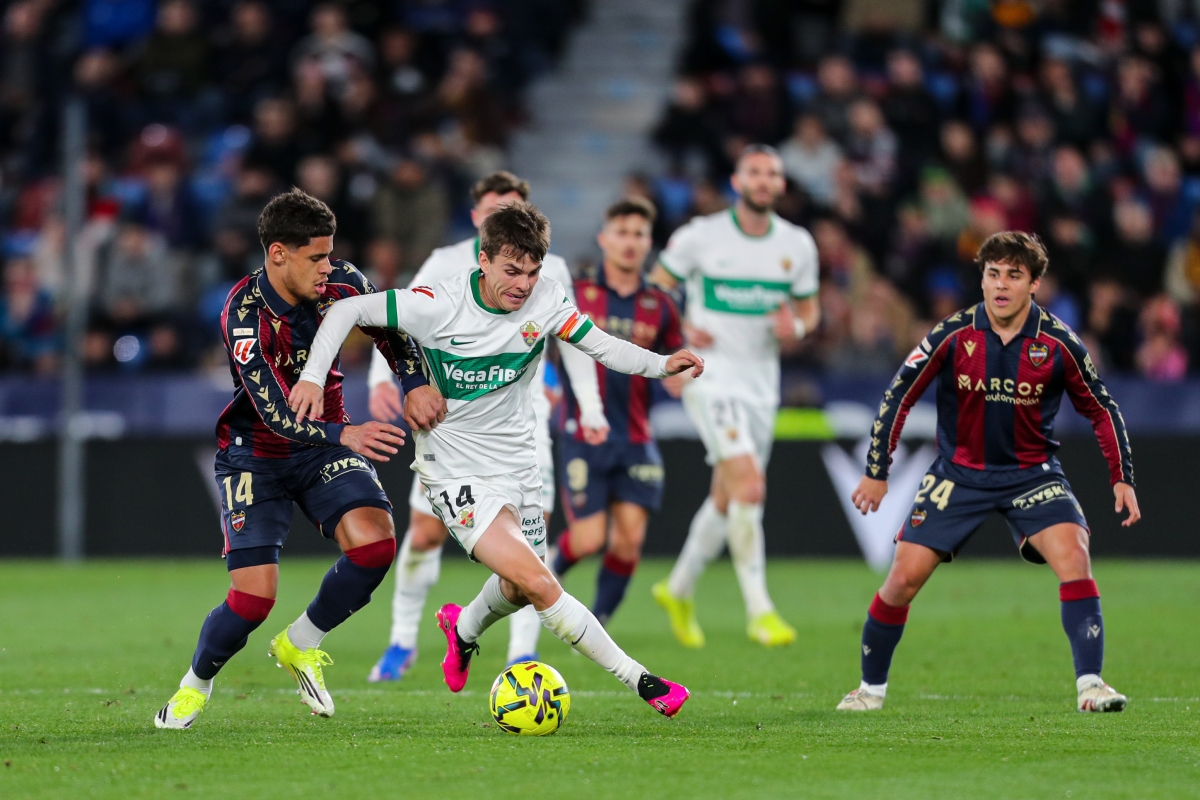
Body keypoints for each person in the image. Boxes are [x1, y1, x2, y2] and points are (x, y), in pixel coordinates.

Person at [289, 202, 702, 718]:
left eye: (532, 271)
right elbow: (348, 310)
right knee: (540, 582)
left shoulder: (547, 298)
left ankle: (461, 628)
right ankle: (644, 682)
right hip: (455, 472)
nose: (523, 284)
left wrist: (662, 365)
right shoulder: (439, 304)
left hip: (520, 466)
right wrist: (312, 376)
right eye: (511, 270)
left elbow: (600, 346)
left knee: (518, 587)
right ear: (483, 260)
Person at [154, 189, 440, 729]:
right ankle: (195, 684)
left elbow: (392, 334)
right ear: (278, 254)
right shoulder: (244, 313)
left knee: (376, 545)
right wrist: (347, 433)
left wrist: (415, 384)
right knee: (253, 600)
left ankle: (301, 642)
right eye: (317, 257)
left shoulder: (344, 282)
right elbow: (274, 414)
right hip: (255, 454)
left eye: (330, 254)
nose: (328, 267)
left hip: (322, 447)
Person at [837, 231, 1139, 713]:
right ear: (981, 279)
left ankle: (1091, 685)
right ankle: (869, 690)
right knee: (902, 580)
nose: (1001, 284)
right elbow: (899, 394)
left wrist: (1121, 476)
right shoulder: (952, 334)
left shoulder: (1059, 343)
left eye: (1013, 275)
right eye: (992, 273)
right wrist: (878, 469)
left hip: (1032, 474)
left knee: (1074, 555)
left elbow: (1101, 409)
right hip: (958, 474)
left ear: (1034, 284)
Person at [365, 172, 606, 682]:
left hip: (523, 424)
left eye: (514, 207)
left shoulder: (549, 269)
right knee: (425, 535)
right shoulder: (445, 262)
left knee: (530, 546)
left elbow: (575, 341)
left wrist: (589, 406)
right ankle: (402, 642)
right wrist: (384, 380)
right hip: (452, 428)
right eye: (495, 209)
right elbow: (394, 318)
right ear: (477, 218)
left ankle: (522, 654)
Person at [649, 144, 820, 648]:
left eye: (772, 173)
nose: (763, 181)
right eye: (754, 172)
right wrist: (679, 331)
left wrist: (798, 327)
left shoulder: (796, 245)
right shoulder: (701, 236)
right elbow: (654, 291)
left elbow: (809, 312)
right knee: (749, 486)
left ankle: (678, 588)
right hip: (709, 375)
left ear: (781, 184)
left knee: (728, 496)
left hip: (761, 383)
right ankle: (760, 610)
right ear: (737, 181)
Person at [542, 197, 683, 637]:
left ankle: (595, 626)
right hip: (583, 432)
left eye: (638, 234)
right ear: (604, 239)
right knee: (589, 539)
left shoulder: (661, 304)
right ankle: (542, 579)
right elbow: (547, 346)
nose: (629, 242)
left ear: (649, 243)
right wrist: (548, 382)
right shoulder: (577, 293)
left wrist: (681, 378)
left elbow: (672, 358)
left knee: (628, 541)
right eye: (621, 232)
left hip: (637, 436)